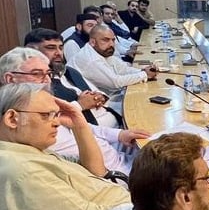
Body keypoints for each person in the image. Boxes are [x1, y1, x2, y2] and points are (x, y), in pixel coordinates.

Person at [0, 83, 131, 210]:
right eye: (47, 115)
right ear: (12, 119)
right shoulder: (22, 172)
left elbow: (97, 171)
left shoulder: (27, 152)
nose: (56, 123)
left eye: (56, 115)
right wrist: (146, 209)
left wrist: (79, 125)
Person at [0, 47, 147, 174]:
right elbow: (81, 169)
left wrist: (120, 134)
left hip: (117, 149)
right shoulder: (23, 122)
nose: (47, 81)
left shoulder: (45, 101)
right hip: (117, 171)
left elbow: (81, 126)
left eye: (48, 74)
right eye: (37, 74)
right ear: (10, 79)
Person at [24, 28, 122, 128]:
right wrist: (80, 105)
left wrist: (100, 97)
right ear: (31, 51)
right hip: (93, 134)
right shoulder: (35, 84)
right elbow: (46, 120)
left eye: (61, 48)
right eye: (51, 48)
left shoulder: (70, 71)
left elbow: (99, 93)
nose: (58, 53)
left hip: (114, 122)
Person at [72, 25, 156, 102]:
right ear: (93, 42)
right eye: (106, 40)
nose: (111, 44)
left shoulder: (101, 50)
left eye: (113, 40)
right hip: (99, 103)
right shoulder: (91, 59)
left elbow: (122, 69)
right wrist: (144, 74)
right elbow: (115, 82)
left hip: (109, 95)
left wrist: (142, 71)